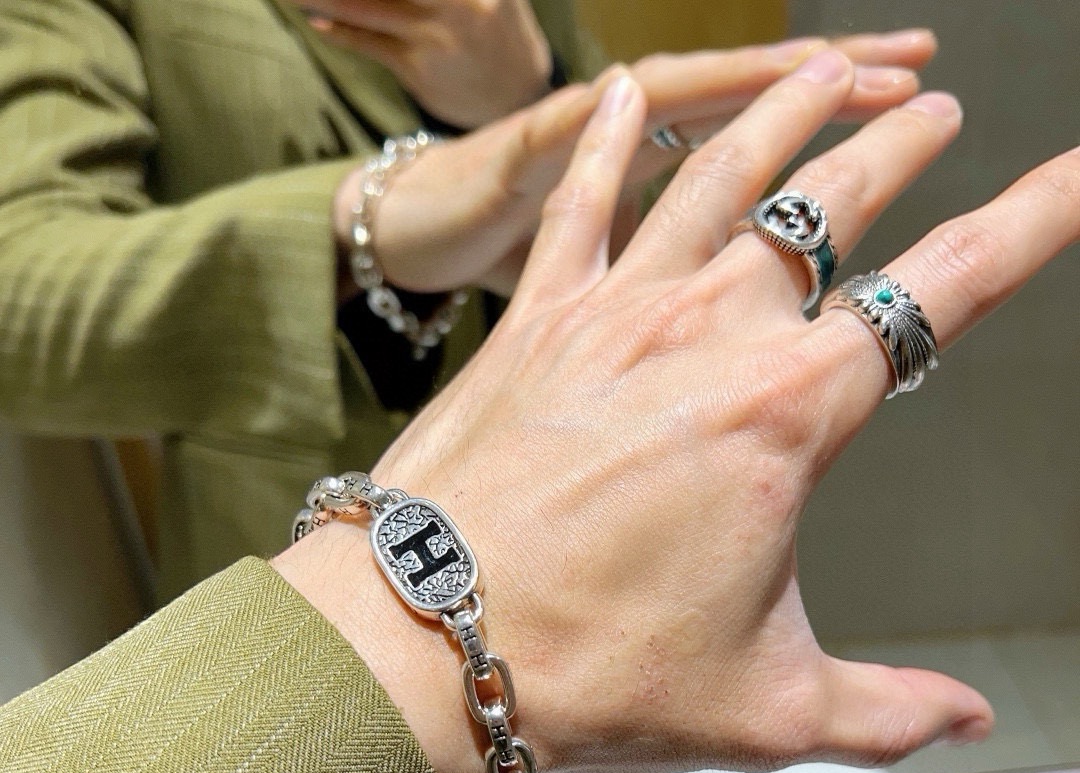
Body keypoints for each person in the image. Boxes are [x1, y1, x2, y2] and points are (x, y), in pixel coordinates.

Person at [5, 49, 1077, 773]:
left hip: (498, 476)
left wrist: (517, 86)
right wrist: (377, 215)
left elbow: (629, 217)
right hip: (308, 552)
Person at [0, 0, 937, 600]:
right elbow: (22, 298)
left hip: (584, 537)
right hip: (296, 571)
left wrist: (519, 89)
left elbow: (611, 251)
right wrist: (372, 217)